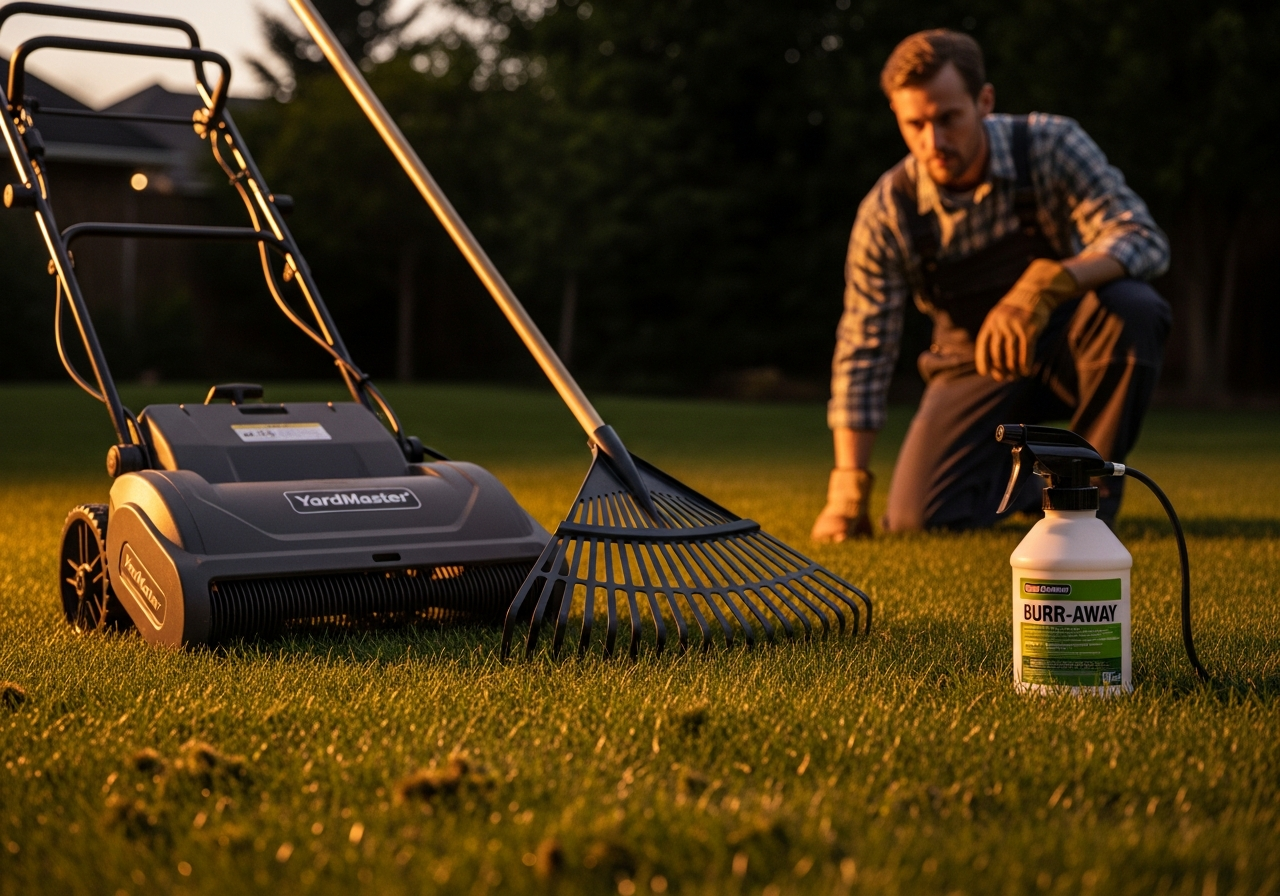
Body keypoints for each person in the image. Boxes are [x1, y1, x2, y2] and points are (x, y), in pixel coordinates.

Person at [811, 29, 1171, 541]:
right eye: (915, 124)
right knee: (920, 520)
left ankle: (1089, 493)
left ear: (984, 101)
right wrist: (847, 493)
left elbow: (1142, 236)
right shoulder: (887, 213)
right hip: (968, 365)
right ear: (896, 115)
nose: (933, 141)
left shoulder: (1050, 145)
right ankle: (1036, 485)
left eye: (948, 118)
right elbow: (863, 350)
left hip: (1070, 345)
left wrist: (1051, 280)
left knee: (1134, 308)